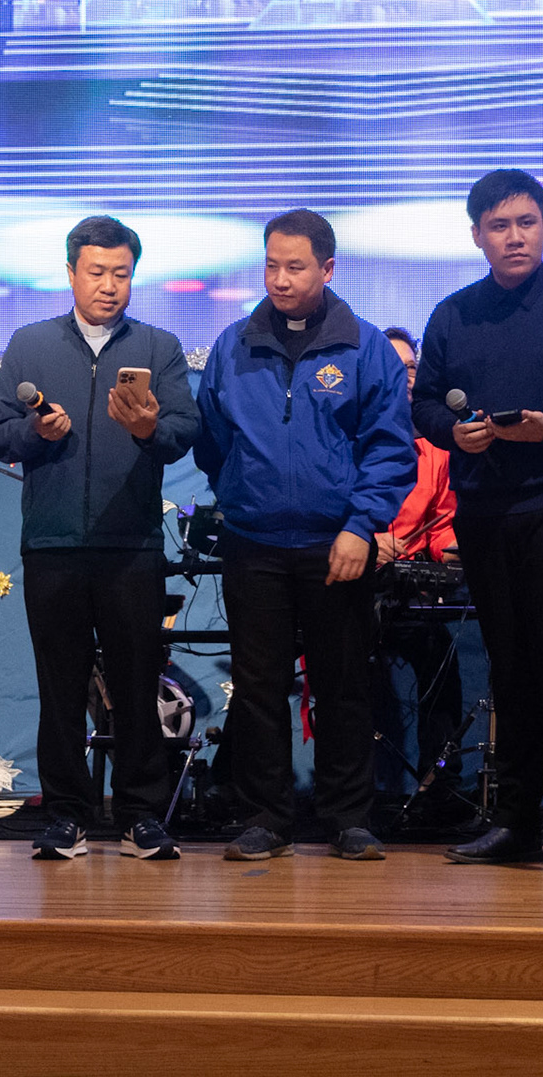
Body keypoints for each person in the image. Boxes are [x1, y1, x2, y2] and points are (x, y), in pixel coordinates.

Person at [414, 169, 543, 871]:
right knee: (508, 670)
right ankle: (516, 825)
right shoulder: (453, 314)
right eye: (500, 226)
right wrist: (454, 433)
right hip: (484, 508)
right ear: (477, 235)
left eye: (527, 222)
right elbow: (424, 405)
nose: (515, 237)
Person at [194, 209, 416, 862]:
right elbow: (212, 441)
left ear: (328, 268)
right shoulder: (233, 345)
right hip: (253, 543)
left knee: (342, 686)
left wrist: (360, 525)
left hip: (337, 546)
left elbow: (389, 447)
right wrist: (243, 494)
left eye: (295, 267)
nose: (280, 279)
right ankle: (266, 818)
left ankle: (348, 818)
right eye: (271, 265)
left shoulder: (366, 348)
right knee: (258, 689)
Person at [0, 216, 198, 861]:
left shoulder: (158, 346)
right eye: (97, 272)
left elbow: (184, 433)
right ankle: (66, 815)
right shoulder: (31, 343)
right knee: (61, 687)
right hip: (53, 544)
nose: (109, 285)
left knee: (136, 685)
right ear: (71, 273)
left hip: (132, 546)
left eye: (121, 274)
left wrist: (149, 427)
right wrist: (36, 433)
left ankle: (140, 816)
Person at [370, 327, 463, 799]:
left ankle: (438, 783)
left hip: (407, 589)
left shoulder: (436, 451)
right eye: (393, 367)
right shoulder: (342, 438)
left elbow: (442, 525)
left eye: (411, 368)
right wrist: (366, 538)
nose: (405, 377)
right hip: (345, 583)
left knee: (439, 652)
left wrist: (454, 550)